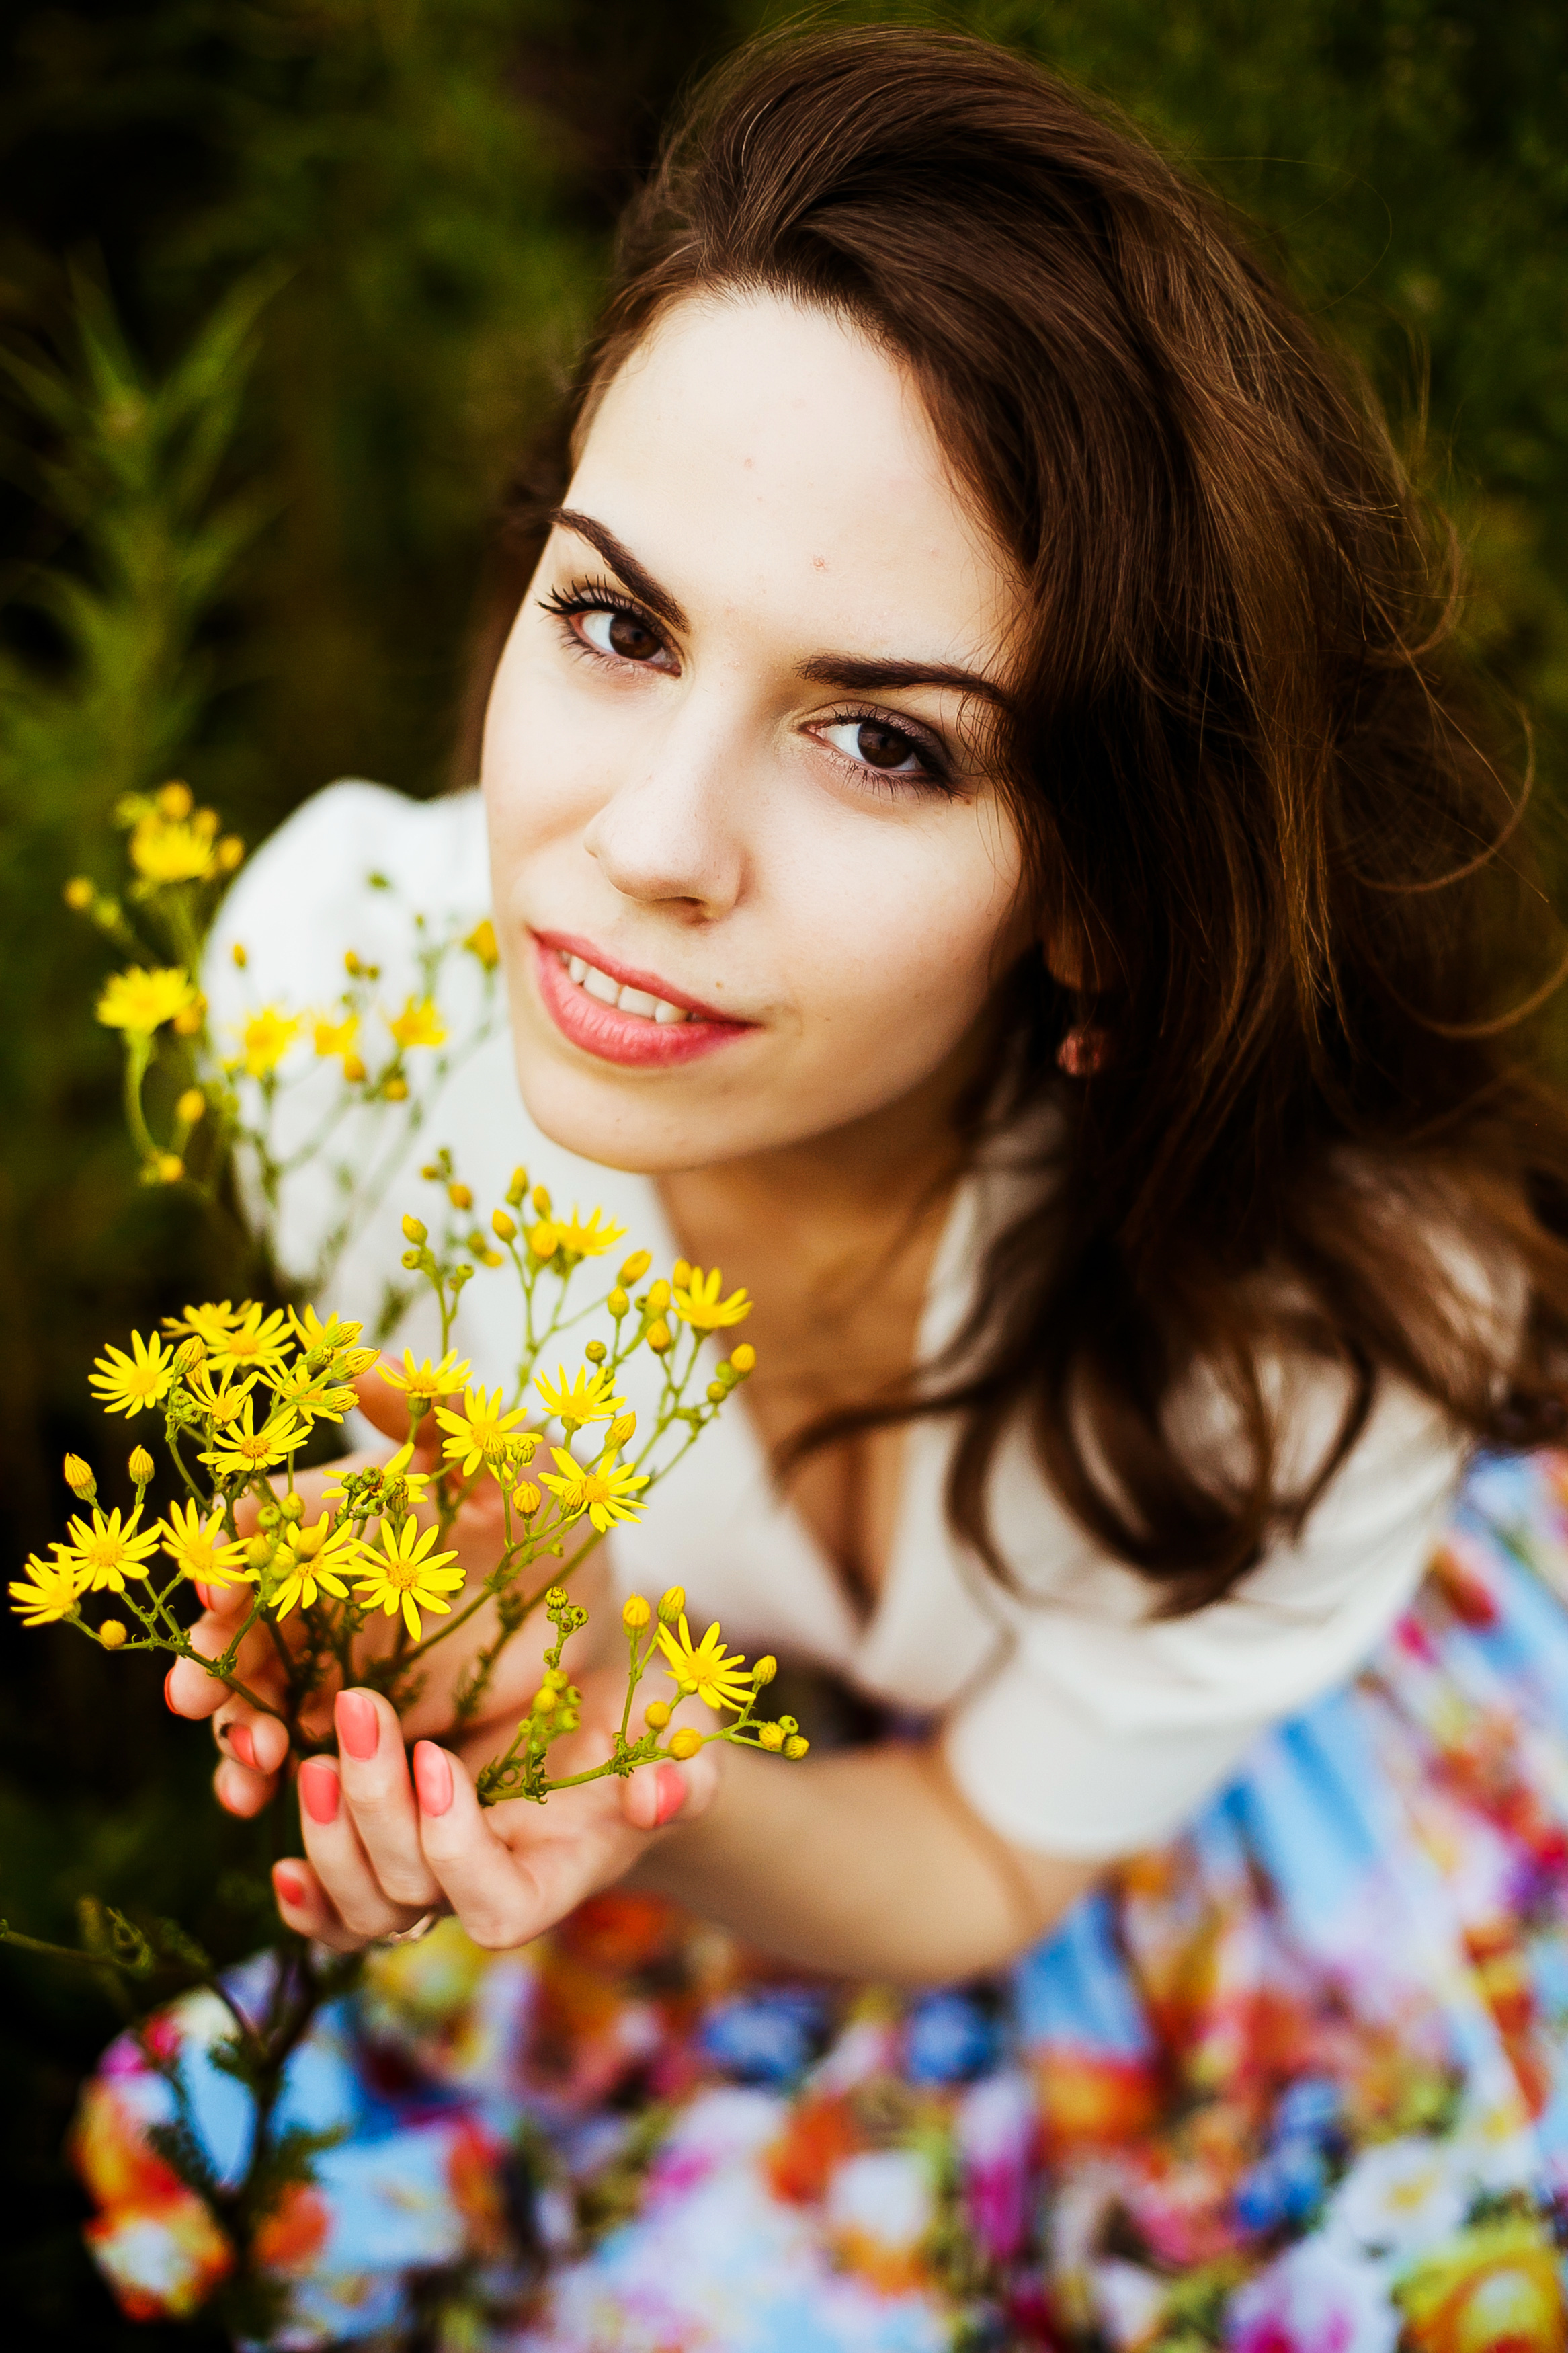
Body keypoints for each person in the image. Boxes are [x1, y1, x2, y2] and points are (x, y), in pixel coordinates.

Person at [77, 25, 1568, 2350]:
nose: (643, 848)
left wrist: (644, 1752)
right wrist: (569, 1725)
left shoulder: (1301, 1354)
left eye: (885, 740)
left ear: (1101, 882)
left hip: (1185, 1802)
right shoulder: (334, 1015)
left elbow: (985, 1849)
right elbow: (724, 1773)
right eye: (616, 619)